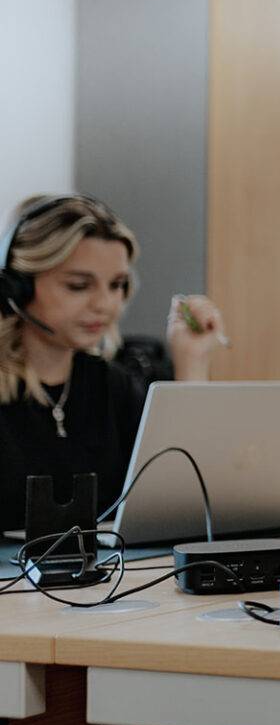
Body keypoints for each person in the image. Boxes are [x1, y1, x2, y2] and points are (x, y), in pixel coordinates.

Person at [0, 194, 225, 532]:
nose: (105, 304)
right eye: (79, 285)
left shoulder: (114, 386)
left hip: (109, 584)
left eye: (117, 285)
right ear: (16, 287)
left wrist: (192, 363)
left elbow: (187, 501)